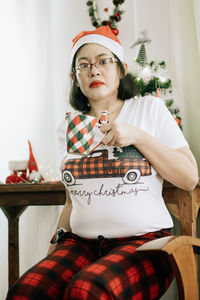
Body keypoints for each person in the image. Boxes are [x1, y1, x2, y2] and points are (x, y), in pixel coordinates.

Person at [6, 26, 198, 300]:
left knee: (87, 290)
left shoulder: (148, 109)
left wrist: (138, 137)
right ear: (76, 78)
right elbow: (73, 201)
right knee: (26, 291)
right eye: (83, 65)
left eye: (103, 61)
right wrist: (51, 257)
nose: (93, 70)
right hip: (80, 245)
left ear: (121, 69)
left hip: (145, 243)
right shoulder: (69, 127)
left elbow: (189, 176)